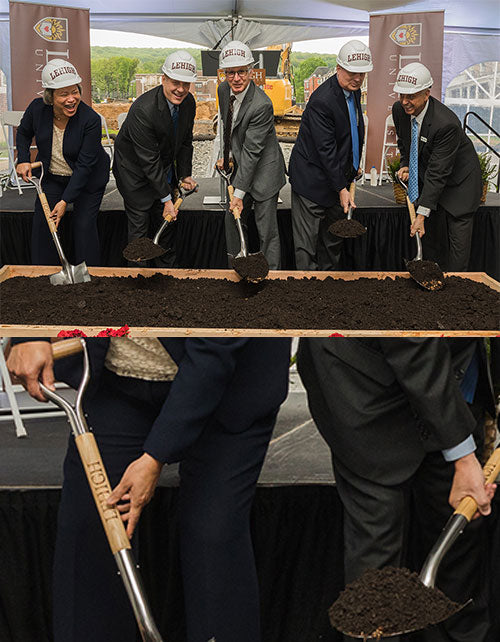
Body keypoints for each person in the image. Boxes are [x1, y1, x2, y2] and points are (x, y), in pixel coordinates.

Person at [7, 337, 291, 642]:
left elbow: (214, 349)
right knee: (92, 522)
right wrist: (28, 334)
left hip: (229, 383)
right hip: (120, 380)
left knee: (212, 530)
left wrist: (155, 456)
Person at [297, 337, 497, 642]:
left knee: (458, 543)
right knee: (377, 562)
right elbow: (411, 336)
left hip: (452, 375)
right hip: (364, 381)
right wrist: (463, 456)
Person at [16, 59, 110, 266]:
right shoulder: (37, 109)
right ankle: (43, 273)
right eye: (63, 94)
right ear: (50, 97)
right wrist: (22, 159)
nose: (71, 99)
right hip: (53, 177)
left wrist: (65, 201)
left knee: (83, 225)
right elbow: (23, 133)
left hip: (88, 180)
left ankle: (90, 274)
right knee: (44, 222)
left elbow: (85, 167)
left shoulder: (90, 120)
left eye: (74, 92)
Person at [288, 40, 373, 271]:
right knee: (307, 248)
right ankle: (305, 291)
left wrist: (353, 164)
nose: (357, 78)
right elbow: (325, 150)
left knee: (332, 243)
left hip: (337, 179)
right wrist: (342, 188)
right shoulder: (322, 101)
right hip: (312, 182)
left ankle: (328, 290)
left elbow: (352, 132)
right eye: (352, 73)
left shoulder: (353, 92)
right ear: (338, 68)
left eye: (362, 74)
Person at [392, 63, 483, 272]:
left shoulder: (446, 124)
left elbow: (438, 173)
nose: (405, 102)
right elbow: (405, 142)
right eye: (401, 95)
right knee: (433, 245)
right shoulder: (400, 110)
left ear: (426, 94)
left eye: (411, 96)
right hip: (433, 183)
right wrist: (406, 163)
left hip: (460, 187)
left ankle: (457, 290)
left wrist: (421, 215)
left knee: (457, 255)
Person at [113, 50, 198, 267]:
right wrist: (167, 200)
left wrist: (184, 175)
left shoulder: (188, 104)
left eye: (186, 84)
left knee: (166, 226)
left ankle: (167, 275)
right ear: (163, 79)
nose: (181, 89)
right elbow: (148, 161)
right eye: (175, 82)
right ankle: (139, 279)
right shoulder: (144, 110)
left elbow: (185, 141)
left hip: (161, 170)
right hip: (135, 174)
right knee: (140, 231)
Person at [216, 40, 286, 270]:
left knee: (267, 230)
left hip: (265, 170)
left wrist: (238, 194)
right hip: (242, 165)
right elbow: (228, 128)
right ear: (224, 73)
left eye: (242, 72)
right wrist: (226, 157)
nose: (236, 78)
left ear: (251, 71)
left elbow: (253, 152)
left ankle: (272, 275)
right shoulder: (223, 89)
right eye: (230, 72)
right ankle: (237, 267)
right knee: (232, 219)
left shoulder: (262, 105)